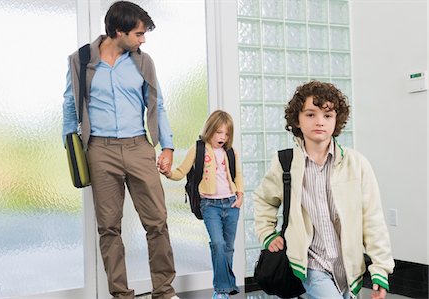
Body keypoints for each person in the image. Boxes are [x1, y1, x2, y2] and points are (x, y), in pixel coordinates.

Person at [62, 1, 180, 299]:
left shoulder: (143, 62)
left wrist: (167, 146)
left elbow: (157, 105)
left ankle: (164, 292)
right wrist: (71, 149)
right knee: (109, 228)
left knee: (157, 222)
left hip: (139, 146)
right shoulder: (81, 60)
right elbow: (69, 104)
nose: (143, 40)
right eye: (139, 34)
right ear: (119, 31)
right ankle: (120, 294)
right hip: (99, 150)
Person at [254, 81, 394, 299]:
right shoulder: (285, 163)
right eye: (310, 114)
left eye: (327, 116)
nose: (319, 122)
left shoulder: (357, 164)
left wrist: (380, 269)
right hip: (309, 263)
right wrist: (267, 234)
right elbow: (264, 200)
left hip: (348, 269)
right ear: (297, 119)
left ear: (337, 120)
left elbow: (373, 219)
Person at [159, 110, 244, 299]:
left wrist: (240, 196)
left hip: (231, 204)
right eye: (218, 132)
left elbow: (238, 176)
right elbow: (181, 172)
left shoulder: (230, 152)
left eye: (227, 133)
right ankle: (222, 289)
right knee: (218, 244)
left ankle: (224, 290)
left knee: (228, 248)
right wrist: (168, 172)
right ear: (209, 130)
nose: (223, 137)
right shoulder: (198, 149)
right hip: (210, 205)